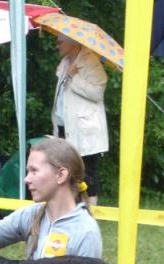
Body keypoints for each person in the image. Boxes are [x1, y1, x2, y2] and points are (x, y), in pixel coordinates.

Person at [51, 34, 108, 206]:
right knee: (65, 172)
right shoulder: (66, 62)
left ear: (72, 42)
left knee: (87, 172)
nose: (56, 45)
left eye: (60, 41)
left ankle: (91, 216)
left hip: (83, 128)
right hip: (64, 126)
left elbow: (97, 93)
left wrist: (74, 78)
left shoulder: (91, 62)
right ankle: (72, 211)